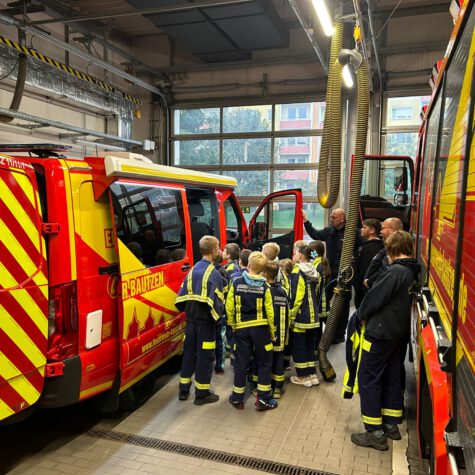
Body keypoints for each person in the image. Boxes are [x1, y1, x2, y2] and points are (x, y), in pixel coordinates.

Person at [351, 231, 419, 451]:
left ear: (392, 249)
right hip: (397, 333)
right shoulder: (412, 270)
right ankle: (391, 424)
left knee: (368, 377)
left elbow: (373, 299)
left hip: (379, 333)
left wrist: (360, 315)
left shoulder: (395, 272)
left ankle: (374, 432)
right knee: (391, 376)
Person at [175, 235, 224, 405]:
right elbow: (218, 303)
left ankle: (183, 390)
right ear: (214, 251)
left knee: (188, 354)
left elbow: (181, 297)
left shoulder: (192, 269)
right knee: (205, 357)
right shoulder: (214, 274)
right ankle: (202, 395)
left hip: (190, 323)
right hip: (206, 324)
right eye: (218, 248)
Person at [302, 208, 363, 343]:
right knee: (324, 301)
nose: (331, 219)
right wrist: (306, 221)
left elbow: (364, 246)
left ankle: (340, 334)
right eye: (331, 216)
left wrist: (355, 260)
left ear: (342, 219)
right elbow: (315, 235)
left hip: (345, 275)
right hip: (331, 274)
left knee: (343, 303)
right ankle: (327, 330)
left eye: (334, 217)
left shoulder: (352, 232)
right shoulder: (329, 231)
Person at [227, 252, 277, 411]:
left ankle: (237, 398)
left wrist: (233, 325)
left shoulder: (236, 283)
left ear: (248, 265)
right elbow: (270, 312)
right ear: (263, 271)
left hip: (241, 329)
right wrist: (273, 332)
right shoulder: (265, 287)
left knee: (241, 363)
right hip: (261, 330)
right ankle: (263, 399)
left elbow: (229, 307)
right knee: (264, 362)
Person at [289, 243, 320, 387]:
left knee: (299, 346)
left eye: (295, 252)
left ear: (301, 255)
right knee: (309, 345)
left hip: (301, 316)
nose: (294, 255)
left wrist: (291, 315)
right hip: (313, 315)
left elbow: (297, 296)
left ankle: (303, 377)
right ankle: (312, 374)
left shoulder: (297, 271)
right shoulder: (314, 270)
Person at [262, 261, 289, 399]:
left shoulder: (264, 290)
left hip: (268, 333)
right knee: (279, 359)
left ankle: (268, 386)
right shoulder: (283, 291)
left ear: (264, 274)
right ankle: (278, 388)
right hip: (282, 333)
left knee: (266, 360)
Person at [363, 217, 403, 290]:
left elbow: (385, 269)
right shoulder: (387, 247)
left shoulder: (395, 248)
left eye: (383, 229)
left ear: (391, 229)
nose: (381, 232)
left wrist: (370, 281)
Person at [353, 219, 383, 309]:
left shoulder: (371, 248)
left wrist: (359, 285)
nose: (361, 229)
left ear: (372, 230)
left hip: (364, 290)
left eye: (364, 227)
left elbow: (365, 270)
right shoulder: (369, 246)